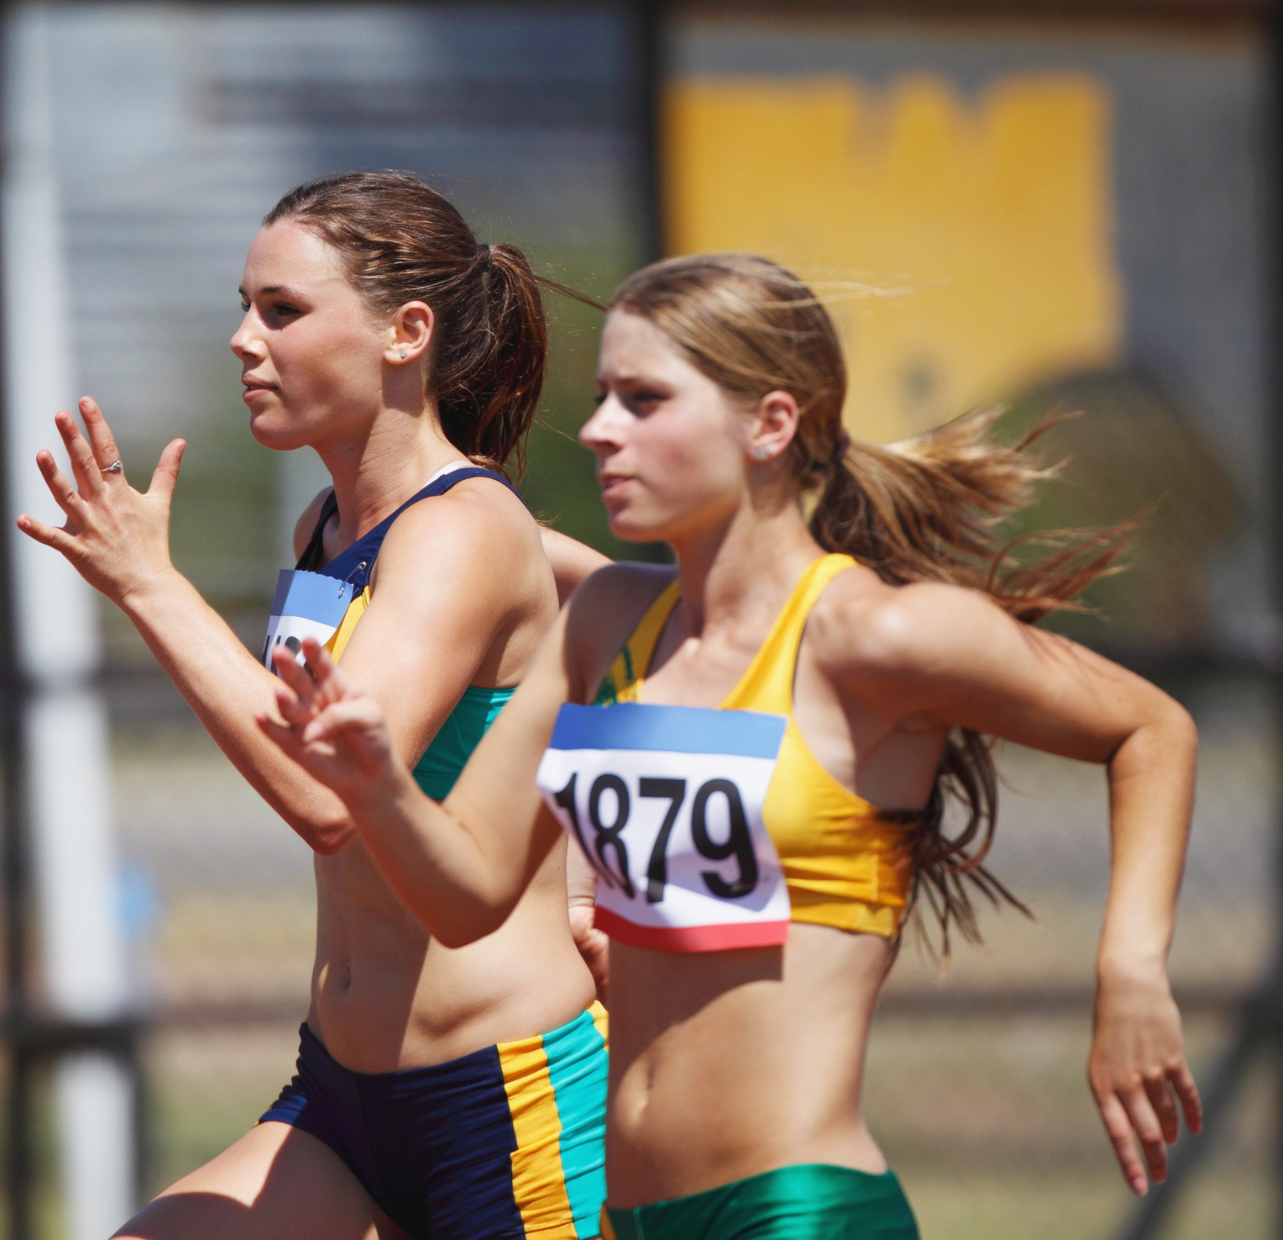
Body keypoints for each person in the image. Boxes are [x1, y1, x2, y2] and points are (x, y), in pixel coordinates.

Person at [261, 253, 1203, 1239]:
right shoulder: (610, 625)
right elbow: (466, 894)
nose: (597, 430)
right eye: (600, 398)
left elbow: (1148, 726)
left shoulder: (870, 635)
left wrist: (1128, 970)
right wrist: (375, 781)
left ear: (770, 424)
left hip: (791, 1209)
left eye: (643, 400)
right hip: (631, 1214)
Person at [18, 171, 614, 1240]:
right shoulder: (332, 527)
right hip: (342, 1099)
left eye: (282, 310)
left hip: (498, 1102)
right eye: (243, 309)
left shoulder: (461, 526)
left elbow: (325, 791)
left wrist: (149, 581)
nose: (245, 340)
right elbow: (607, 595)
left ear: (406, 332)